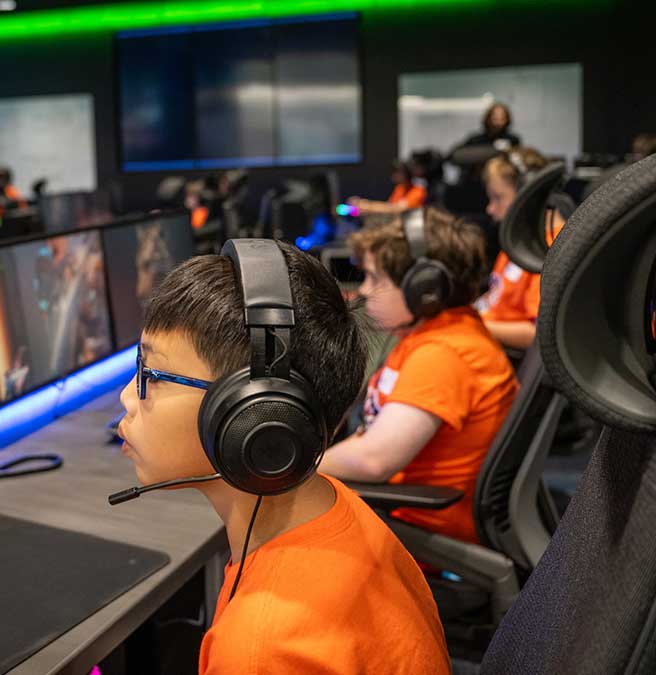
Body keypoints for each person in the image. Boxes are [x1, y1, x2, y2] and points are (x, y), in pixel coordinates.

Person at [117, 242, 449, 673]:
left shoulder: (263, 648)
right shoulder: (339, 508)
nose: (127, 396)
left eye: (152, 374)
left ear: (257, 411)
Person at [320, 208, 517, 545]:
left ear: (425, 289)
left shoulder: (444, 354)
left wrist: (298, 467)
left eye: (375, 278)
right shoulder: (429, 337)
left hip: (417, 528)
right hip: (396, 512)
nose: (364, 290)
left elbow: (374, 459)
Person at [475, 147, 567, 351]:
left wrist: (475, 325)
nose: (490, 208)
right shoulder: (519, 240)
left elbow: (536, 333)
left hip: (505, 352)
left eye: (498, 198)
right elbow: (495, 297)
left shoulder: (550, 250)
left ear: (529, 196)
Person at [347, 159, 428, 215]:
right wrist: (362, 207)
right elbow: (388, 205)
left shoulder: (418, 191)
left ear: (407, 173)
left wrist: (366, 205)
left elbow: (396, 209)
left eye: (397, 172)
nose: (393, 174)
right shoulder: (400, 188)